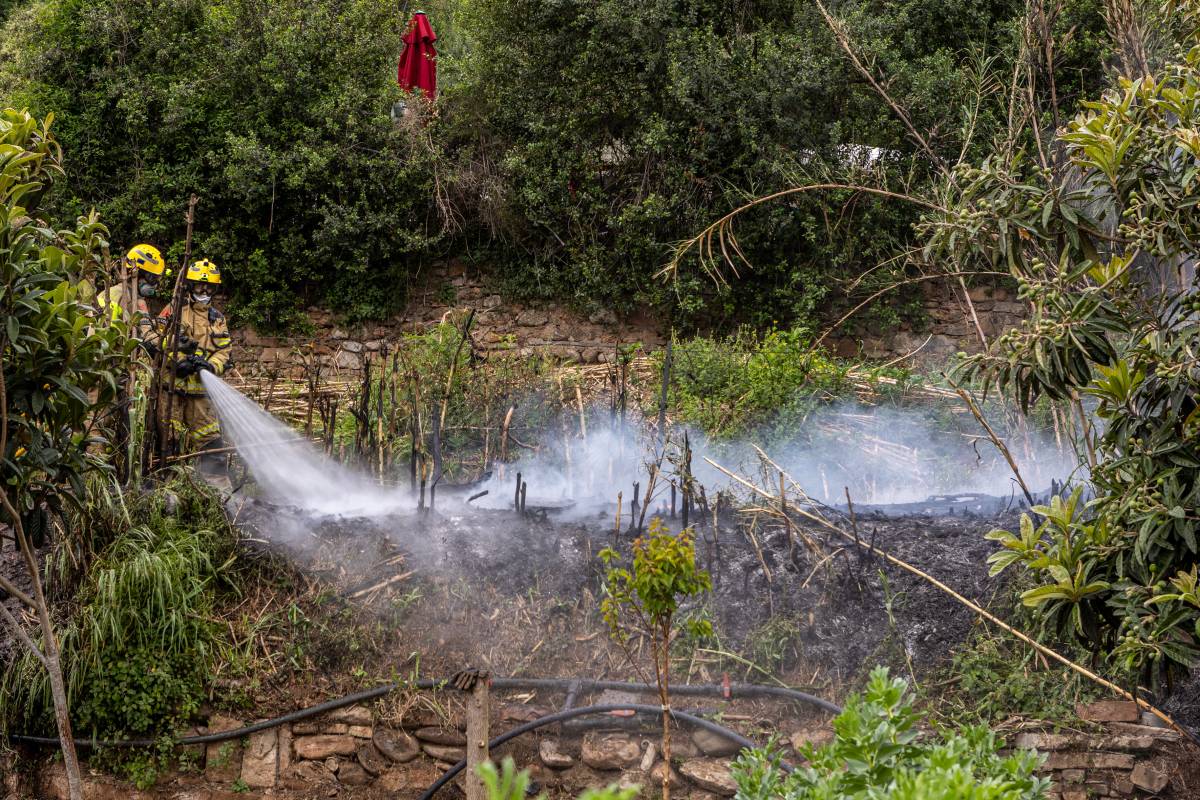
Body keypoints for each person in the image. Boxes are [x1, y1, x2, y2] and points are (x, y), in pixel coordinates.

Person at [154, 258, 232, 457]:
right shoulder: (173, 311)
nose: (204, 293)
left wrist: (210, 366)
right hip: (172, 390)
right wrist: (178, 361)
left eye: (208, 289)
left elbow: (224, 351)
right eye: (199, 288)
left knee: (210, 439)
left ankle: (217, 486)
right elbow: (158, 339)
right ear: (189, 286)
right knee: (169, 438)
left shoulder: (218, 319)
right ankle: (168, 483)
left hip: (201, 394)